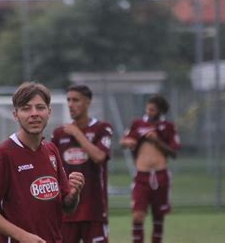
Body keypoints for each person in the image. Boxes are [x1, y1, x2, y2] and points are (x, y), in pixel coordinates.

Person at [0, 82, 85, 243]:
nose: (34, 114)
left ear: (49, 112)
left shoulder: (51, 150)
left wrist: (75, 194)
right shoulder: (1, 155)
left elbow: (66, 207)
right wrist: (23, 237)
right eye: (26, 108)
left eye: (40, 107)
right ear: (15, 115)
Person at [51, 85, 113, 243]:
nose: (70, 104)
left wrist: (77, 133)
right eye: (68, 100)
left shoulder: (102, 128)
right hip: (67, 210)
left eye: (76, 100)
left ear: (88, 102)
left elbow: (99, 156)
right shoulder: (59, 133)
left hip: (94, 210)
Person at [120, 95, 180, 243]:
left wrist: (157, 141)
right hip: (142, 176)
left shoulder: (168, 127)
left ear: (160, 111)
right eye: (148, 108)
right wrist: (128, 142)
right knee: (137, 216)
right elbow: (124, 141)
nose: (149, 111)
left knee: (158, 217)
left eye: (153, 109)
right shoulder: (138, 124)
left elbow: (173, 153)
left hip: (161, 175)